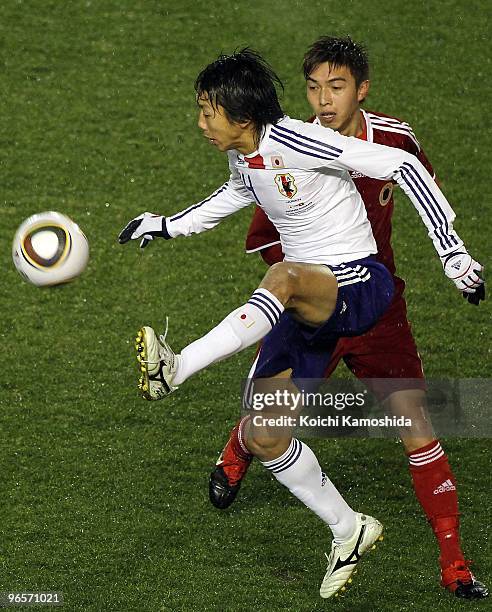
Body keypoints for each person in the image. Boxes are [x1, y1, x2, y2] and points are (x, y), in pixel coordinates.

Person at [118, 48, 484, 599]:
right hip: (308, 298)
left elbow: (404, 167)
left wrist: (453, 256)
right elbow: (235, 194)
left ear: (240, 117)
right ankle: (348, 527)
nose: (199, 123)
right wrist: (167, 226)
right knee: (264, 433)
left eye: (205, 111)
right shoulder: (245, 155)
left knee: (286, 277)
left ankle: (177, 367)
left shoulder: (298, 138)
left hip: (360, 284)